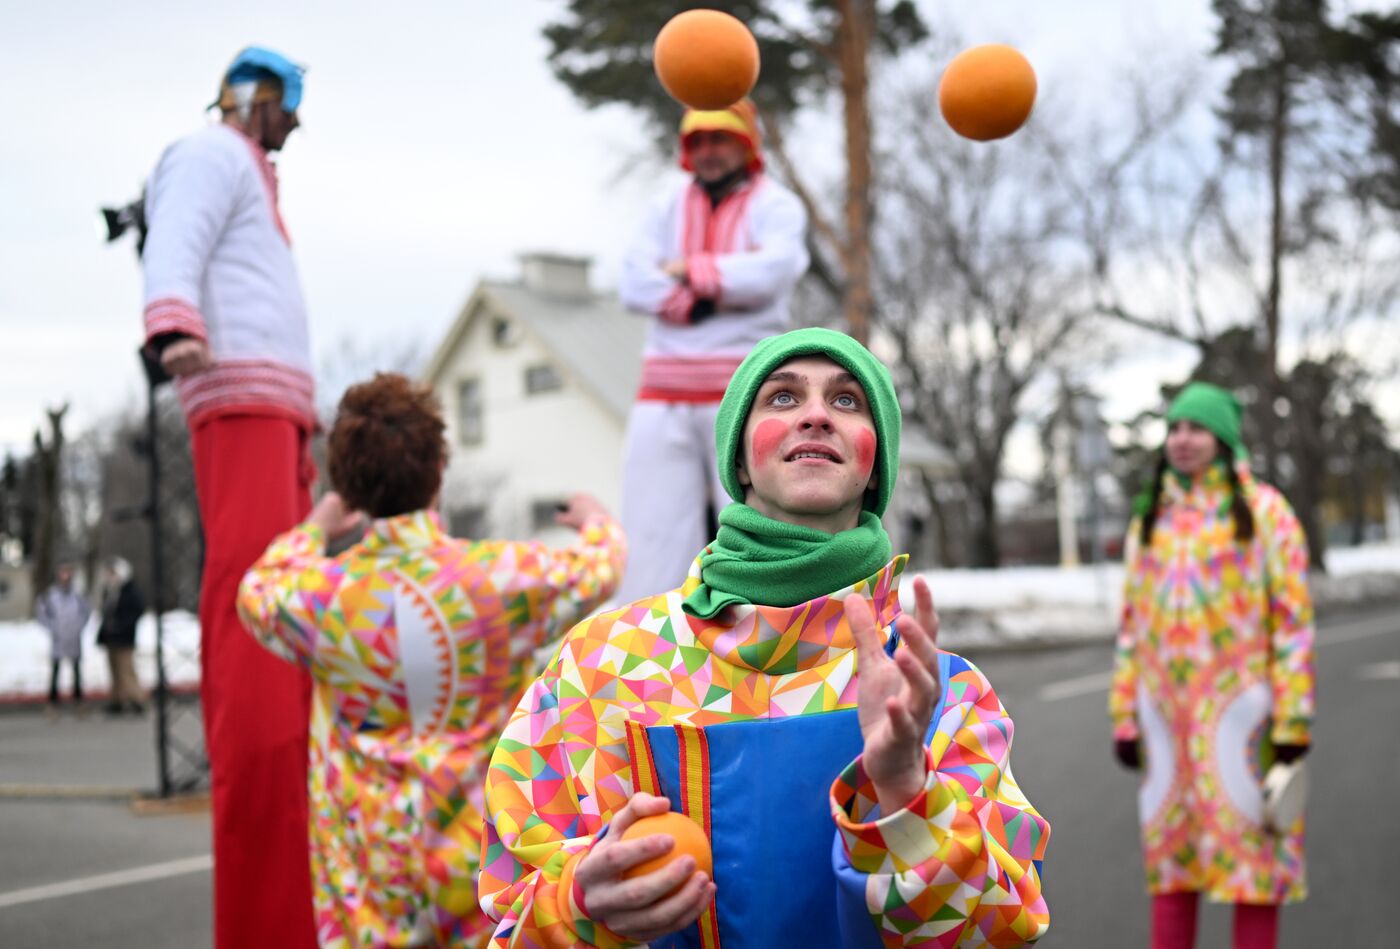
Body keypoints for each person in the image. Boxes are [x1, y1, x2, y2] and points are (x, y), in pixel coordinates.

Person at [479, 328, 1050, 948]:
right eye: (781, 398)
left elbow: (997, 931)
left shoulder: (944, 696)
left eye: (847, 401)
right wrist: (578, 910)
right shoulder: (600, 664)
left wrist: (907, 794)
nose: (815, 415)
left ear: (874, 463)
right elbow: (511, 925)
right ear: (739, 457)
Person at [238, 373, 627, 949]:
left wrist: (316, 527)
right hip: (480, 852)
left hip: (370, 868)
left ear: (347, 486)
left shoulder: (321, 597)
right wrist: (597, 519)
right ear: (439, 471)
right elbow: (602, 566)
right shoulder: (500, 578)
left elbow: (256, 589)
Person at [140, 45, 318, 947]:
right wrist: (173, 319)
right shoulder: (209, 153)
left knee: (283, 605)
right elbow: (176, 232)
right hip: (242, 394)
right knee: (255, 601)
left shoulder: (253, 171)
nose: (294, 124)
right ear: (253, 96)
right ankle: (265, 909)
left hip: (276, 403)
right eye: (288, 105)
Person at [1110, 382, 1315, 949]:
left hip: (1246, 725)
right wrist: (1126, 717)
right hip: (1167, 726)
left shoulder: (1267, 513)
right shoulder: (1151, 518)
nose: (1181, 439)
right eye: (1174, 428)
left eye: (1196, 428)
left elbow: (1293, 624)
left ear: (1223, 439)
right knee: (1172, 870)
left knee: (1254, 872)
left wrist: (1293, 722)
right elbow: (1131, 625)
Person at [616, 99, 809, 602]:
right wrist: (710, 291)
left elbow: (774, 271)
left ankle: (770, 633)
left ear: (745, 143)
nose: (708, 152)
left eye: (719, 138)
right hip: (663, 391)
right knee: (652, 527)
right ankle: (651, 652)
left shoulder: (777, 205)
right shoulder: (665, 206)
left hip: (743, 389)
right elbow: (633, 285)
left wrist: (688, 270)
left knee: (758, 520)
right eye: (697, 141)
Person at [36, 562, 91, 711]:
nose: (65, 576)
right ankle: (53, 702)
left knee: (76, 669)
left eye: (68, 573)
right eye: (63, 573)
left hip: (74, 638)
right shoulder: (50, 595)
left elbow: (86, 613)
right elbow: (41, 614)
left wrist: (77, 628)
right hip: (58, 638)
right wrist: (53, 628)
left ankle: (79, 700)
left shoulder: (78, 595)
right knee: (55, 669)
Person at [96, 557, 147, 715]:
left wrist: (122, 625)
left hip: (124, 637)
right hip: (112, 637)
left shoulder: (130, 591)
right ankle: (117, 700)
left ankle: (137, 699)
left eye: (113, 573)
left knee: (126, 669)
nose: (110, 576)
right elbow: (106, 613)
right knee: (114, 670)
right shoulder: (111, 591)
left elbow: (137, 610)